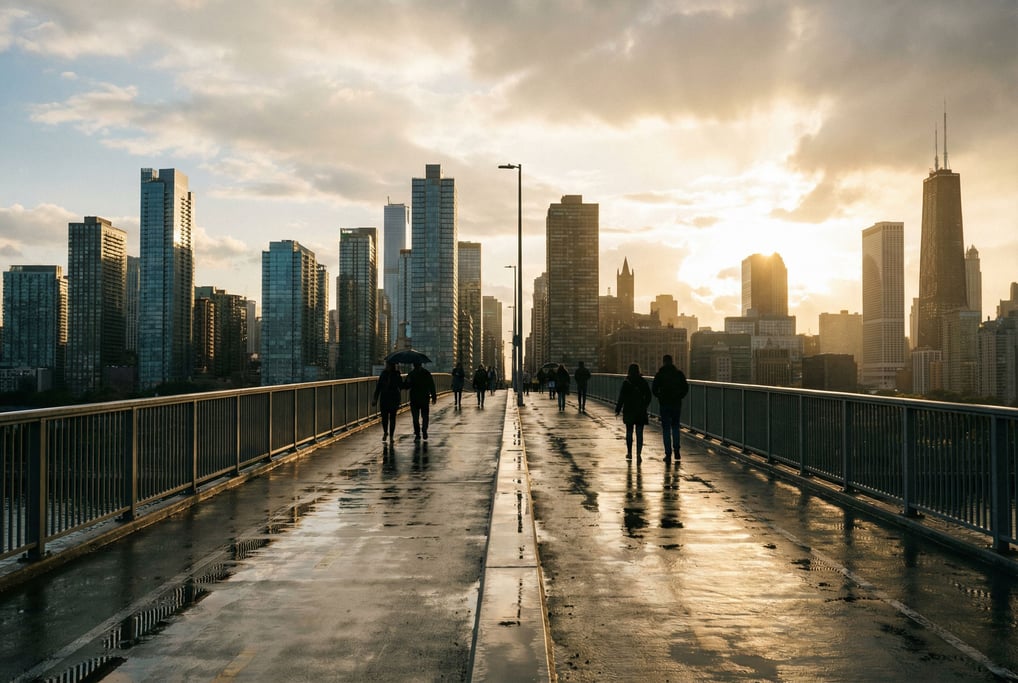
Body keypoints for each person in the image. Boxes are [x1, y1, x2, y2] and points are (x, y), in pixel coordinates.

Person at [652, 354, 689, 462]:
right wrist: (680, 396)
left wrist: (660, 397)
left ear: (663, 362)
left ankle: (668, 454)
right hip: (676, 404)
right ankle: (677, 451)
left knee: (666, 429)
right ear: (672, 362)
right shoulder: (678, 374)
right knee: (675, 427)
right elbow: (685, 387)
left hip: (664, 404)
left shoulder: (660, 374)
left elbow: (654, 389)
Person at [615, 363, 652, 462]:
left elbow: (621, 397)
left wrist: (618, 409)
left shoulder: (626, 382)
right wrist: (644, 405)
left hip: (629, 410)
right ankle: (639, 454)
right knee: (639, 433)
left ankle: (629, 453)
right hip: (640, 410)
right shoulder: (643, 381)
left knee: (629, 432)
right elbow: (649, 396)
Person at [404, 360, 437, 442]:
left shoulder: (411, 374)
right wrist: (433, 396)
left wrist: (406, 383)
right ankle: (424, 430)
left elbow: (406, 386)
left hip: (414, 399)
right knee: (425, 416)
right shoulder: (426, 373)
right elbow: (431, 385)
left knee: (415, 418)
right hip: (424, 398)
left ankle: (418, 434)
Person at [372, 359, 403, 442]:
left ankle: (391, 436)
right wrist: (375, 398)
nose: (387, 366)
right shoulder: (385, 374)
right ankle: (386, 432)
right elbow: (378, 387)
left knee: (392, 417)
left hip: (391, 399)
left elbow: (401, 385)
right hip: (386, 399)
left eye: (388, 365)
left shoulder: (395, 374)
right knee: (385, 418)